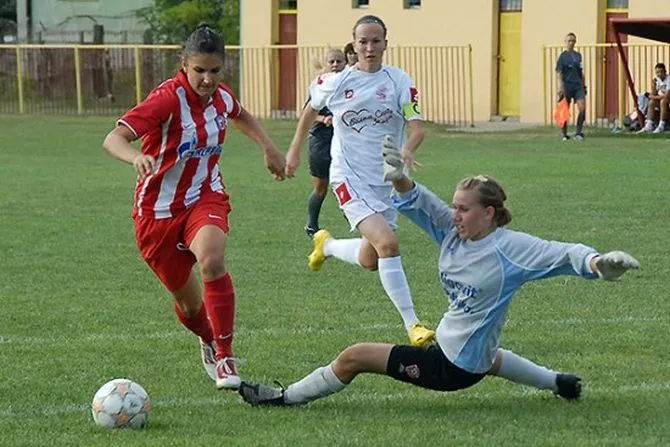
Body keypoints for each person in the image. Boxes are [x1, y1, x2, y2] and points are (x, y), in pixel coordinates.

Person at [238, 139, 640, 406]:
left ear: (489, 214)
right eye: (455, 206)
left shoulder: (511, 249)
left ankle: (284, 398)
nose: (455, 214)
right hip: (467, 354)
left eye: (464, 209)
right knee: (490, 356)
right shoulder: (453, 229)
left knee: (353, 357)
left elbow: (564, 253)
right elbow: (420, 201)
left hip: (452, 367)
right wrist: (398, 176)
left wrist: (598, 263)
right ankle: (560, 383)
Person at [102, 23, 286, 390]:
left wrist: (268, 147)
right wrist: (136, 157)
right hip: (156, 214)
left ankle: (226, 357)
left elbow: (241, 114)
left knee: (212, 259)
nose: (207, 79)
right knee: (190, 308)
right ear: (183, 64)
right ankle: (208, 338)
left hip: (205, 196)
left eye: (215, 71)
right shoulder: (167, 100)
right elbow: (114, 138)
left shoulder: (221, 96)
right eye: (200, 70)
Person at [285, 15, 434, 348]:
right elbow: (309, 110)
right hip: (349, 178)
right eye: (363, 41)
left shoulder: (399, 81)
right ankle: (413, 324)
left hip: (387, 182)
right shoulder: (336, 82)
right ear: (354, 45)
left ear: (385, 44)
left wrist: (406, 151)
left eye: (376, 40)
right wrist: (294, 150)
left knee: (371, 259)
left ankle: (327, 245)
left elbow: (417, 128)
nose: (369, 47)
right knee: (389, 245)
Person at [304, 48, 347, 238]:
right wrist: (324, 119)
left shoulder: (350, 85)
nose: (336, 65)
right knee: (321, 187)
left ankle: (360, 223)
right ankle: (311, 224)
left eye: (339, 61)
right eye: (332, 61)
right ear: (327, 64)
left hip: (344, 144)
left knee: (349, 184)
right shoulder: (320, 86)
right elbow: (307, 114)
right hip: (321, 142)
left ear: (346, 63)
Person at [556, 32, 587, 141]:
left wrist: (584, 85)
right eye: (569, 41)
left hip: (578, 86)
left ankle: (578, 132)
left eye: (573, 41)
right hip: (567, 86)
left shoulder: (578, 56)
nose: (571, 43)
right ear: (565, 42)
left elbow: (581, 71)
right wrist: (561, 87)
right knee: (564, 110)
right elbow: (559, 72)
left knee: (582, 109)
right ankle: (564, 134)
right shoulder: (562, 57)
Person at [637, 62, 670, 134]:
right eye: (657, 72)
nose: (659, 74)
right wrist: (653, 86)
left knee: (663, 101)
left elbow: (667, 95)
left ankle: (661, 125)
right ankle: (649, 124)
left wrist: (652, 96)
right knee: (652, 102)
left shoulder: (668, 79)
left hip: (667, 100)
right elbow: (653, 94)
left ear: (665, 71)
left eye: (661, 72)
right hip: (661, 99)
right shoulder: (656, 80)